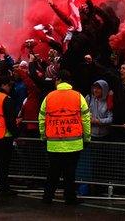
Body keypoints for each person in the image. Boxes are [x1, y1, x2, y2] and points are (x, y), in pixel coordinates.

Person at [39, 69, 91, 205]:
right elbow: (86, 119)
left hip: (53, 143)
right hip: (74, 144)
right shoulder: (78, 96)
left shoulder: (49, 97)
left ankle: (47, 197)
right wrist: (87, 138)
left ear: (59, 80)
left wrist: (43, 136)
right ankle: (70, 197)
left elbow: (42, 119)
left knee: (53, 173)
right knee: (70, 174)